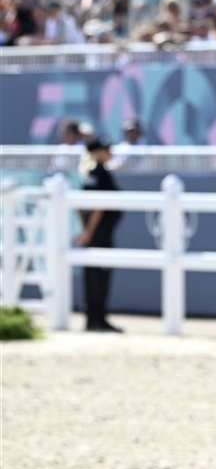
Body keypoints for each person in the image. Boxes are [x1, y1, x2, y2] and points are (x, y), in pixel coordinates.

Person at [76, 137, 123, 333]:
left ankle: (94, 318)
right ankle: (97, 319)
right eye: (107, 149)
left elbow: (81, 206)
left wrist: (86, 231)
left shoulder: (90, 174)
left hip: (96, 233)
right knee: (99, 276)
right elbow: (98, 207)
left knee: (94, 275)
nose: (110, 153)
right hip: (100, 234)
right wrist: (88, 232)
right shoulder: (99, 172)